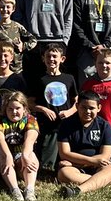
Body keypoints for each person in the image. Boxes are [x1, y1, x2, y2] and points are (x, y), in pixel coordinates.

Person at [14, 0, 74, 87]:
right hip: (34, 40)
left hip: (57, 39)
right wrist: (25, 37)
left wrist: (64, 39)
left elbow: (68, 13)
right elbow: (18, 12)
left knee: (55, 81)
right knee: (34, 82)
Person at [56, 91, 111, 197]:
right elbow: (64, 153)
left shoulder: (104, 126)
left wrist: (78, 162)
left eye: (91, 108)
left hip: (94, 166)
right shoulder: (66, 125)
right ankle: (107, 182)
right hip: (74, 168)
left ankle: (78, 190)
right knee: (64, 174)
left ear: (99, 108)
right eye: (83, 107)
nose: (87, 111)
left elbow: (105, 156)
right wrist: (90, 161)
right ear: (77, 106)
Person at [28, 42, 78, 171]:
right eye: (48, 56)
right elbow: (29, 103)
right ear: (43, 58)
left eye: (55, 56)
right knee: (46, 164)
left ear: (62, 59)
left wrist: (69, 112)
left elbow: (77, 102)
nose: (51, 59)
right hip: (47, 126)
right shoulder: (39, 79)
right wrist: (43, 109)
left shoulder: (69, 78)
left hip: (66, 124)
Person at [0, 91, 40, 201]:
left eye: (17, 108)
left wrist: (25, 156)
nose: (14, 112)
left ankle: (29, 189)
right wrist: (8, 156)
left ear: (24, 108)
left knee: (31, 156)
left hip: (20, 158)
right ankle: (15, 190)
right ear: (5, 110)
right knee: (4, 157)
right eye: (10, 109)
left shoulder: (31, 120)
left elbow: (30, 140)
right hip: (0, 158)